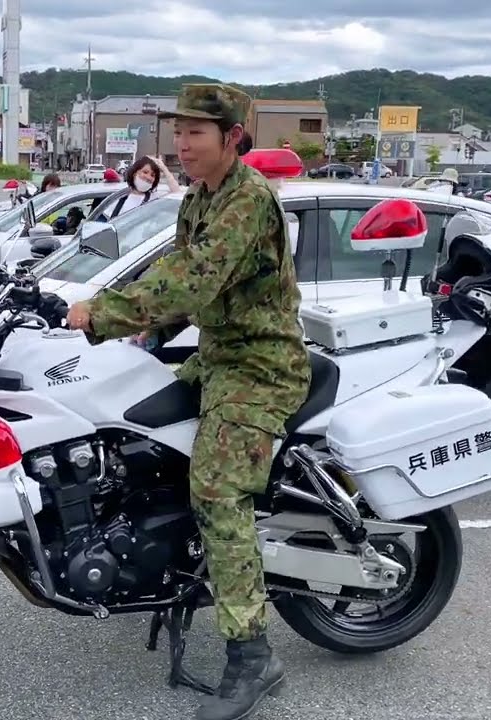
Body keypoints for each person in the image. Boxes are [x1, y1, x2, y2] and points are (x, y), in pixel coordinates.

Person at [64, 83, 310, 720]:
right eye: (177, 132)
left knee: (217, 489)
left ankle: (253, 657)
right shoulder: (199, 198)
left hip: (259, 366)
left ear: (231, 139)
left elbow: (198, 276)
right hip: (218, 357)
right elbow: (180, 270)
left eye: (195, 133)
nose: (181, 144)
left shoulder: (248, 200)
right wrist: (151, 330)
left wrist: (102, 313)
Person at [108, 155, 182, 220]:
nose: (148, 177)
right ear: (134, 173)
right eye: (145, 172)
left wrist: (164, 168)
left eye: (152, 175)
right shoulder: (119, 199)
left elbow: (176, 193)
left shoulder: (156, 198)